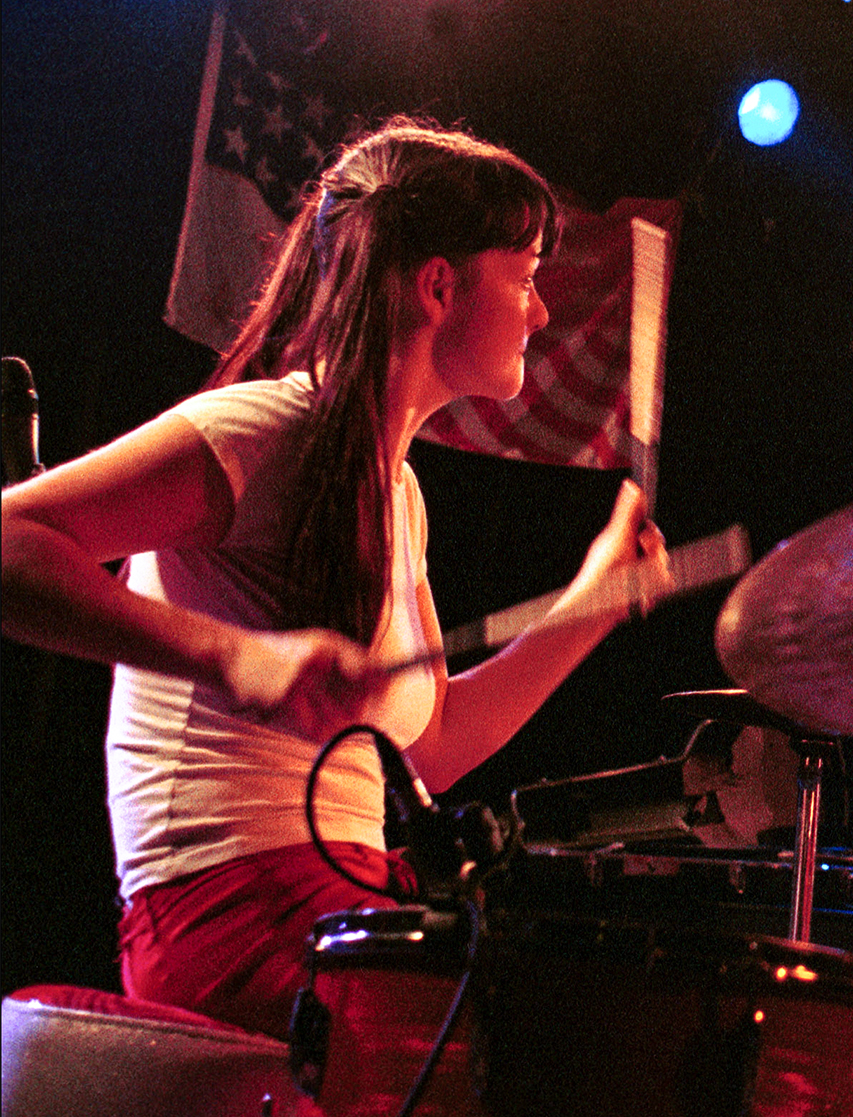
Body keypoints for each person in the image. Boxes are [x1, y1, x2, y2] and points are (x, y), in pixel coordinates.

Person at [1, 119, 669, 1040]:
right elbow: (10, 543)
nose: (542, 312)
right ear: (440, 285)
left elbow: (426, 744)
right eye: (523, 279)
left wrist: (589, 608)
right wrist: (232, 655)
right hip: (227, 909)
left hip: (334, 897)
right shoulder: (264, 432)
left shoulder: (397, 490)